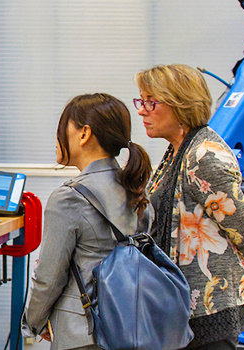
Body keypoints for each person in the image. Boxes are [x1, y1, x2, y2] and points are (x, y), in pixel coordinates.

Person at [134, 64, 244, 349]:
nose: (142, 110)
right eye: (141, 101)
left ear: (180, 105)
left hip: (207, 313)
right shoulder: (177, 151)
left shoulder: (203, 156)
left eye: (151, 102)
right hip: (183, 308)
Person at [23, 93, 154, 349]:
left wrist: (33, 322)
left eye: (63, 128)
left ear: (84, 134)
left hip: (83, 333)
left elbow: (49, 277)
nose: (58, 137)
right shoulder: (137, 190)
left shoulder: (68, 197)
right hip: (133, 325)